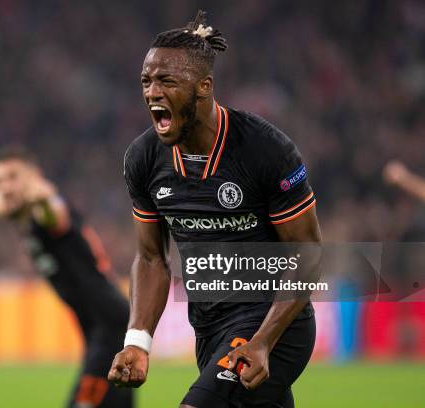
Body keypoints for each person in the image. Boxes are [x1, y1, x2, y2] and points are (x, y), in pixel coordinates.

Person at [108, 11, 321, 408]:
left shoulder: (264, 150)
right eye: (146, 81)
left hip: (273, 324)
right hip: (209, 329)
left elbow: (307, 253)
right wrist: (137, 341)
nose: (152, 92)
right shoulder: (143, 158)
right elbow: (152, 257)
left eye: (166, 80)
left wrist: (262, 342)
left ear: (204, 86)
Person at [0, 147, 133, 408]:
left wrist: (43, 198)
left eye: (12, 177)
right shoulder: (21, 211)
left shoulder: (46, 209)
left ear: (34, 177)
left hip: (110, 331)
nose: (5, 188)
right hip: (98, 330)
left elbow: (54, 213)